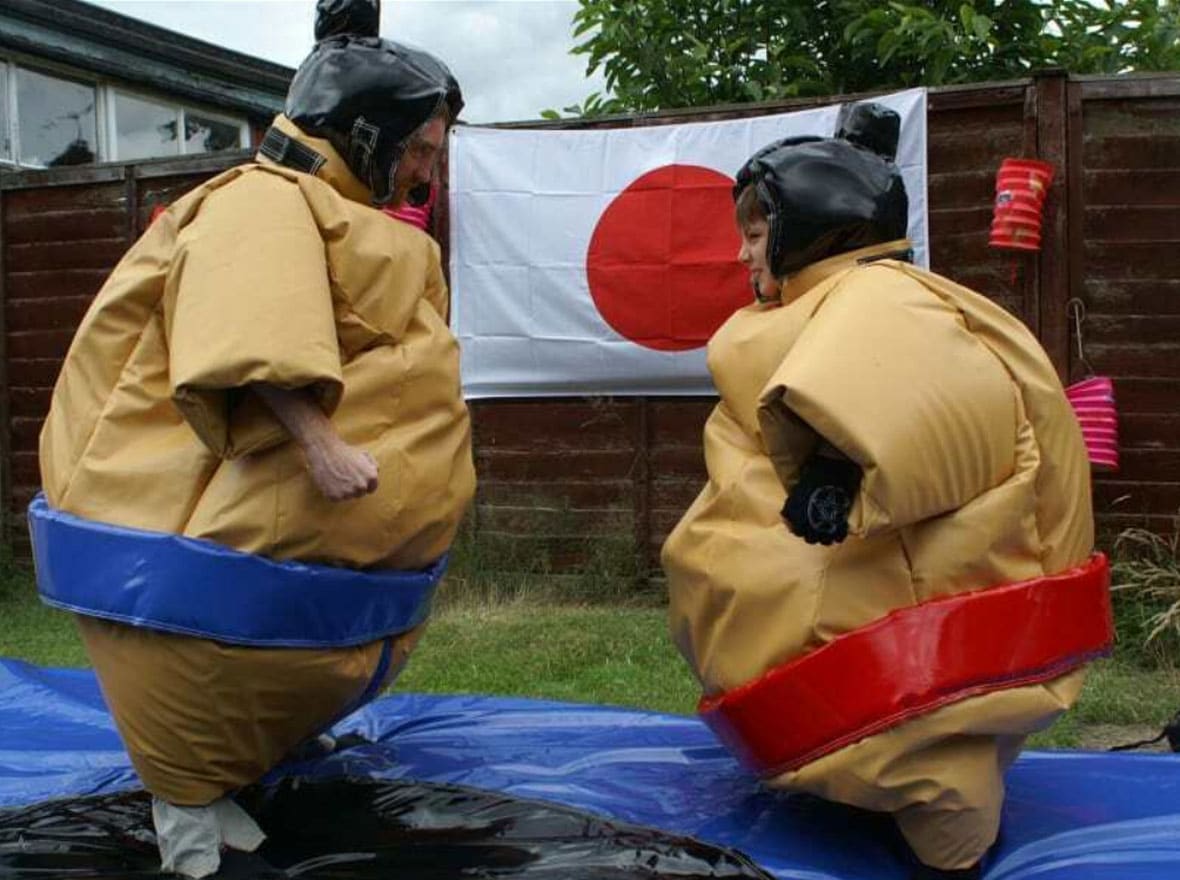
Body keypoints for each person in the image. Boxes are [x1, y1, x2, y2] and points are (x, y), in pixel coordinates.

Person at [29, 1, 474, 877]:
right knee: (197, 679)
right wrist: (319, 444)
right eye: (418, 147)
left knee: (242, 685)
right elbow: (251, 325)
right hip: (188, 551)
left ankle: (221, 776)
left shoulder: (333, 212)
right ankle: (192, 826)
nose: (426, 171)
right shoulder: (260, 204)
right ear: (363, 133)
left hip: (284, 574)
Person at [660, 103, 1113, 879]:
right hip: (858, 604)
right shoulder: (826, 303)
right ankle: (883, 781)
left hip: (917, 657)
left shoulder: (882, 299)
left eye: (757, 232)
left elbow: (916, 394)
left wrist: (837, 469)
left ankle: (949, 840)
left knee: (937, 772)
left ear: (813, 227)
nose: (741, 253)